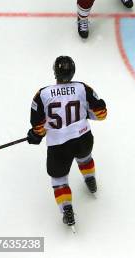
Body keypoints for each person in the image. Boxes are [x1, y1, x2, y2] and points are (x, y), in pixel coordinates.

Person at [27, 56, 107, 228]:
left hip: (58, 146)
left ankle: (67, 209)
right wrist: (89, 113)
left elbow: (38, 127)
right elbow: (101, 113)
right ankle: (90, 180)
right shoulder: (82, 88)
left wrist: (35, 134)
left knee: (59, 179)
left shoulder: (42, 94)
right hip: (83, 138)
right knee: (85, 158)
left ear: (55, 72)